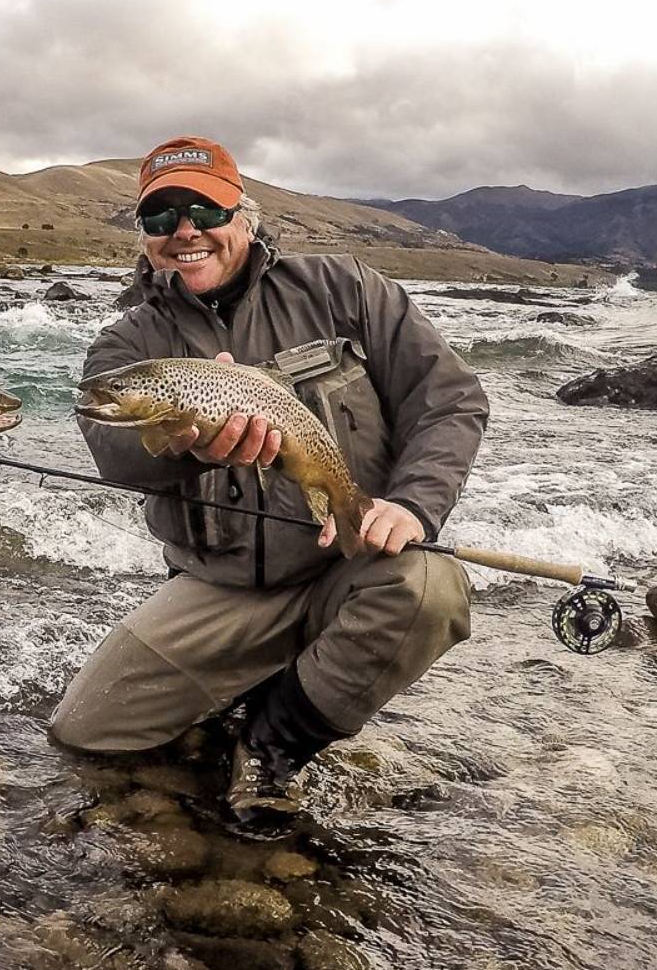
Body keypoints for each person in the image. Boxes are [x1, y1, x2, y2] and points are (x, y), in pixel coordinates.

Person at [48, 136, 486, 831]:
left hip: (347, 560)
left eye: (203, 210)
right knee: (82, 731)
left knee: (430, 588)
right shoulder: (129, 343)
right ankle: (253, 683)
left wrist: (412, 504)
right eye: (161, 218)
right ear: (146, 235)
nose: (184, 231)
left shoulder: (345, 289)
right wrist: (189, 447)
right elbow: (112, 452)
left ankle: (276, 740)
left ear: (244, 216)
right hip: (220, 589)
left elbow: (450, 400)